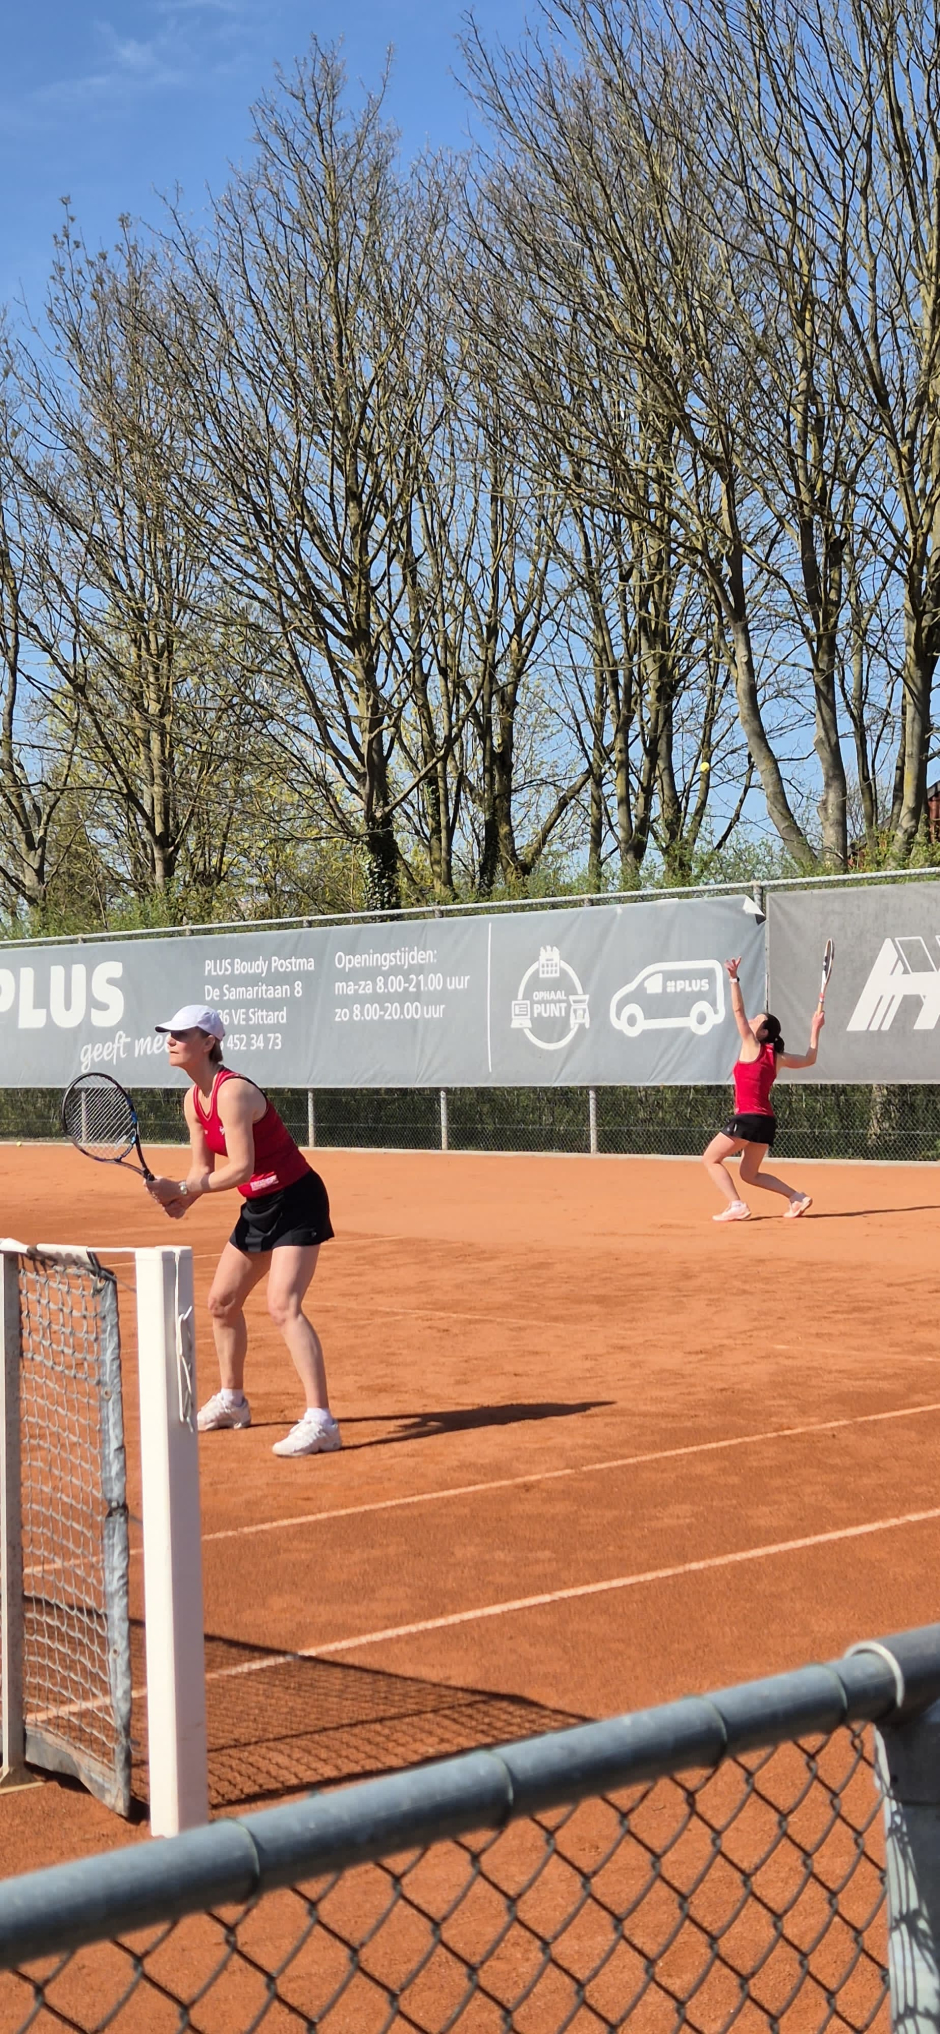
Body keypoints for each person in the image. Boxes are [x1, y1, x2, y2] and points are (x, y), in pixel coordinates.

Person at [145, 1004, 341, 1458]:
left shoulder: (233, 1092)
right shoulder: (193, 1101)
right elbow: (202, 1169)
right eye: (169, 1033)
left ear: (209, 1042)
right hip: (259, 1206)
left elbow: (241, 1168)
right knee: (222, 1303)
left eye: (182, 1034)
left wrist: (184, 1188)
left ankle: (322, 1422)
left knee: (283, 1306)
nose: (171, 1040)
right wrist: (182, 1197)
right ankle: (233, 1401)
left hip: (297, 1199)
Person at [703, 960, 824, 1223]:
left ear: (764, 1032)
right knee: (749, 1174)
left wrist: (733, 978)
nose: (753, 1019)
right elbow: (809, 1059)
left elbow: (737, 1010)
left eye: (759, 1019)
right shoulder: (778, 1057)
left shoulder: (751, 1043)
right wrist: (815, 1029)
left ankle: (736, 1205)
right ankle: (796, 1197)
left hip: (748, 1118)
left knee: (710, 1159)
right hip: (766, 1121)